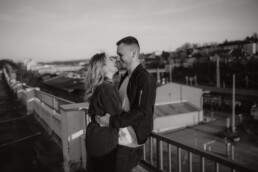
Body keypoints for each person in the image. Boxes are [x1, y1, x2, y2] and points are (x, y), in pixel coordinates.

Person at [96, 36, 157, 172]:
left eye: (120, 54)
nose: (118, 58)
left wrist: (111, 121)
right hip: (118, 139)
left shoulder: (145, 79)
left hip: (129, 144)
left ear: (133, 53)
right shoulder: (126, 76)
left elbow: (142, 112)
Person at [84, 52, 122, 172]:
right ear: (104, 68)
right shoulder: (106, 89)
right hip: (104, 141)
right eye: (110, 59)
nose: (115, 60)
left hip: (97, 137)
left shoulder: (103, 87)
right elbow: (120, 118)